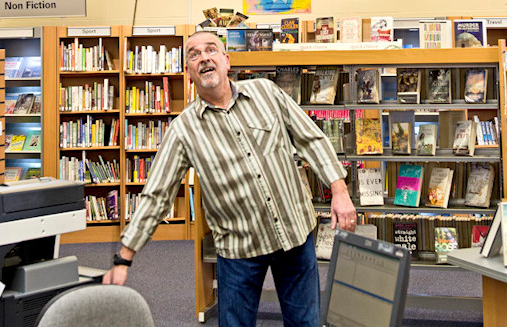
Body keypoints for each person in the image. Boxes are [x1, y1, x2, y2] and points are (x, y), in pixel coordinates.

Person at [103, 30, 356, 327]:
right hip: (239, 251)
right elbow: (156, 196)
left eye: (211, 50)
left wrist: (339, 190)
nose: (204, 57)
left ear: (226, 60)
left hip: (294, 235)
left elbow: (311, 139)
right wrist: (124, 256)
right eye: (194, 54)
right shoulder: (183, 130)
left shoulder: (267, 93)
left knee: (306, 323)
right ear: (188, 72)